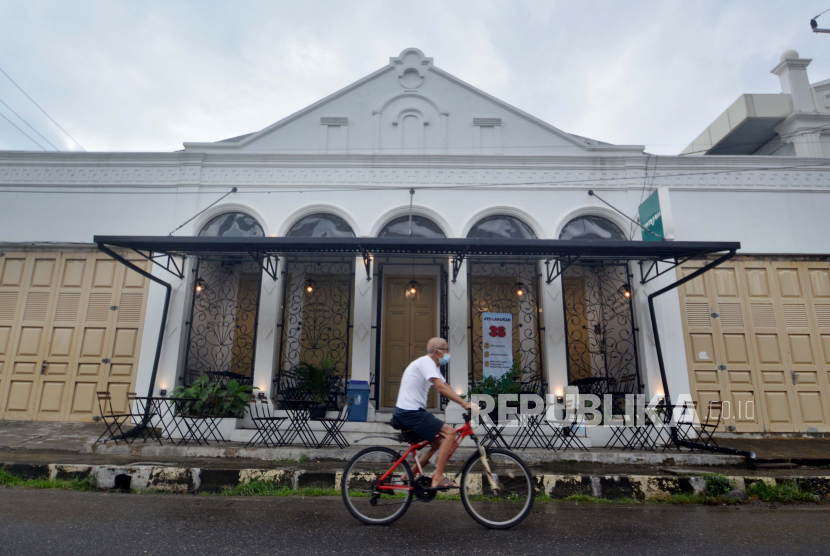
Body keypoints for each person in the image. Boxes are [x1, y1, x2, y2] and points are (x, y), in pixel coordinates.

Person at [393, 337, 471, 489]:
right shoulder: (426, 362)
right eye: (446, 349)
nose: (448, 353)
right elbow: (440, 388)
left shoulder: (432, 366)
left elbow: (445, 385)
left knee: (439, 443)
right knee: (450, 433)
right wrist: (464, 404)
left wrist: (464, 403)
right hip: (410, 413)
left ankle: (408, 474)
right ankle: (438, 478)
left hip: (413, 412)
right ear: (437, 352)